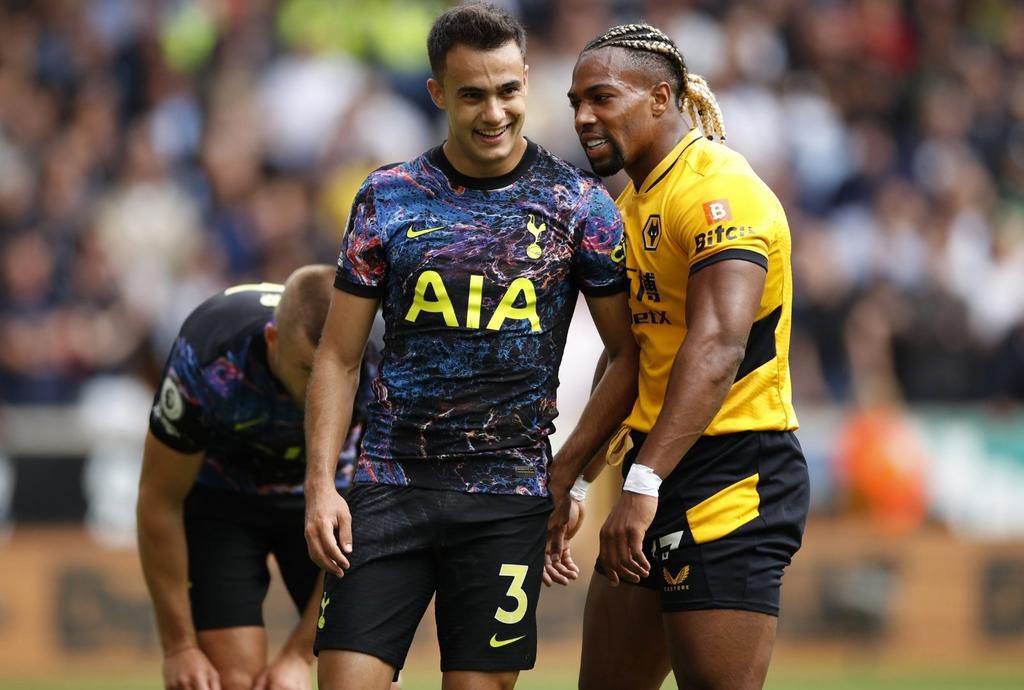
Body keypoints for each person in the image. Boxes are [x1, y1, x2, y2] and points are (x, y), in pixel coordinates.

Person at [302, 4, 638, 690]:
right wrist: (320, 485)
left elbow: (629, 357)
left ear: (528, 82)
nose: (494, 113)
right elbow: (338, 356)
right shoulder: (387, 198)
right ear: (437, 93)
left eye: (508, 91)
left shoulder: (580, 205)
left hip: (506, 499)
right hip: (389, 484)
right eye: (472, 95)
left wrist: (570, 475)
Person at [559, 23, 811, 690]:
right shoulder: (631, 204)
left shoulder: (719, 191)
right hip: (655, 466)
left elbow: (719, 346)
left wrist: (641, 485)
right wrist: (574, 479)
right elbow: (630, 359)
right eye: (576, 102)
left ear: (660, 98)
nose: (584, 117)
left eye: (602, 97)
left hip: (731, 470)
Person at [137, 266, 379, 690]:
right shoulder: (210, 354)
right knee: (229, 679)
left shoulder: (374, 363)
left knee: (366, 676)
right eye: (307, 369)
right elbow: (159, 499)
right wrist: (179, 647)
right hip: (224, 501)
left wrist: (298, 655)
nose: (322, 386)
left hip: (329, 502)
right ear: (272, 339)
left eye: (334, 370)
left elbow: (374, 510)